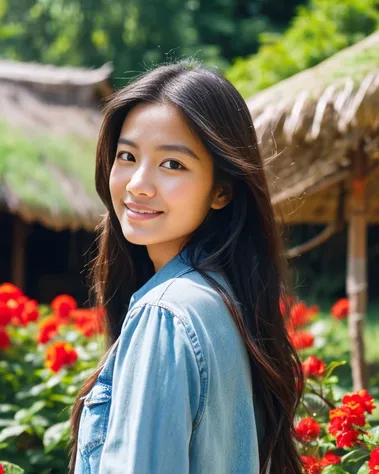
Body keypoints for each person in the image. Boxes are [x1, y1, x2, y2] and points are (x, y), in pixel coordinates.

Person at [68, 60, 304, 474]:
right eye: (127, 155)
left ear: (221, 191)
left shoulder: (166, 315)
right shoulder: (225, 299)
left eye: (172, 164)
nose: (138, 182)